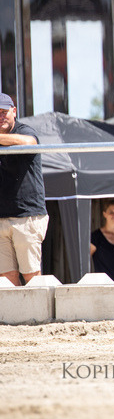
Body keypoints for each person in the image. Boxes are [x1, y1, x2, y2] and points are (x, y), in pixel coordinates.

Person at [0, 93, 48, 286]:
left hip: (27, 217)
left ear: (14, 111)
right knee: (6, 279)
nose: (1, 116)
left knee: (31, 277)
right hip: (1, 218)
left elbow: (30, 142)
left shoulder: (24, 130)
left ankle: (39, 316)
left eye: (4, 112)